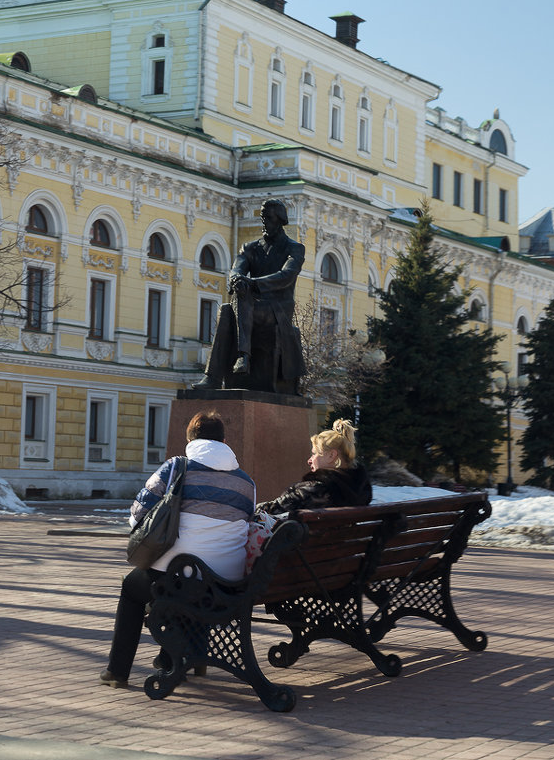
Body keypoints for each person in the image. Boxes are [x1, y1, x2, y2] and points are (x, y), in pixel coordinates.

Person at [101, 411, 255, 688]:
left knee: (133, 586)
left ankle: (117, 670)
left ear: (190, 438)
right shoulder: (246, 482)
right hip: (226, 585)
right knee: (198, 567)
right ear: (224, 440)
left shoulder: (176, 467)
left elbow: (138, 513)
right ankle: (183, 657)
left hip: (180, 578)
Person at [192, 198, 306, 393]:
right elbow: (236, 269)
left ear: (280, 220)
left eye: (268, 218)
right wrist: (237, 280)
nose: (264, 222)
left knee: (243, 298)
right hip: (251, 305)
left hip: (277, 310)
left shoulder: (294, 248)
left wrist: (253, 284)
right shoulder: (250, 248)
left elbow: (286, 276)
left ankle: (243, 356)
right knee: (227, 309)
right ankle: (213, 377)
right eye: (262, 217)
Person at [256, 419, 372, 515]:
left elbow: (270, 510)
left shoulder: (314, 491)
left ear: (332, 455)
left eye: (315, 453)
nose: (310, 460)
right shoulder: (361, 490)